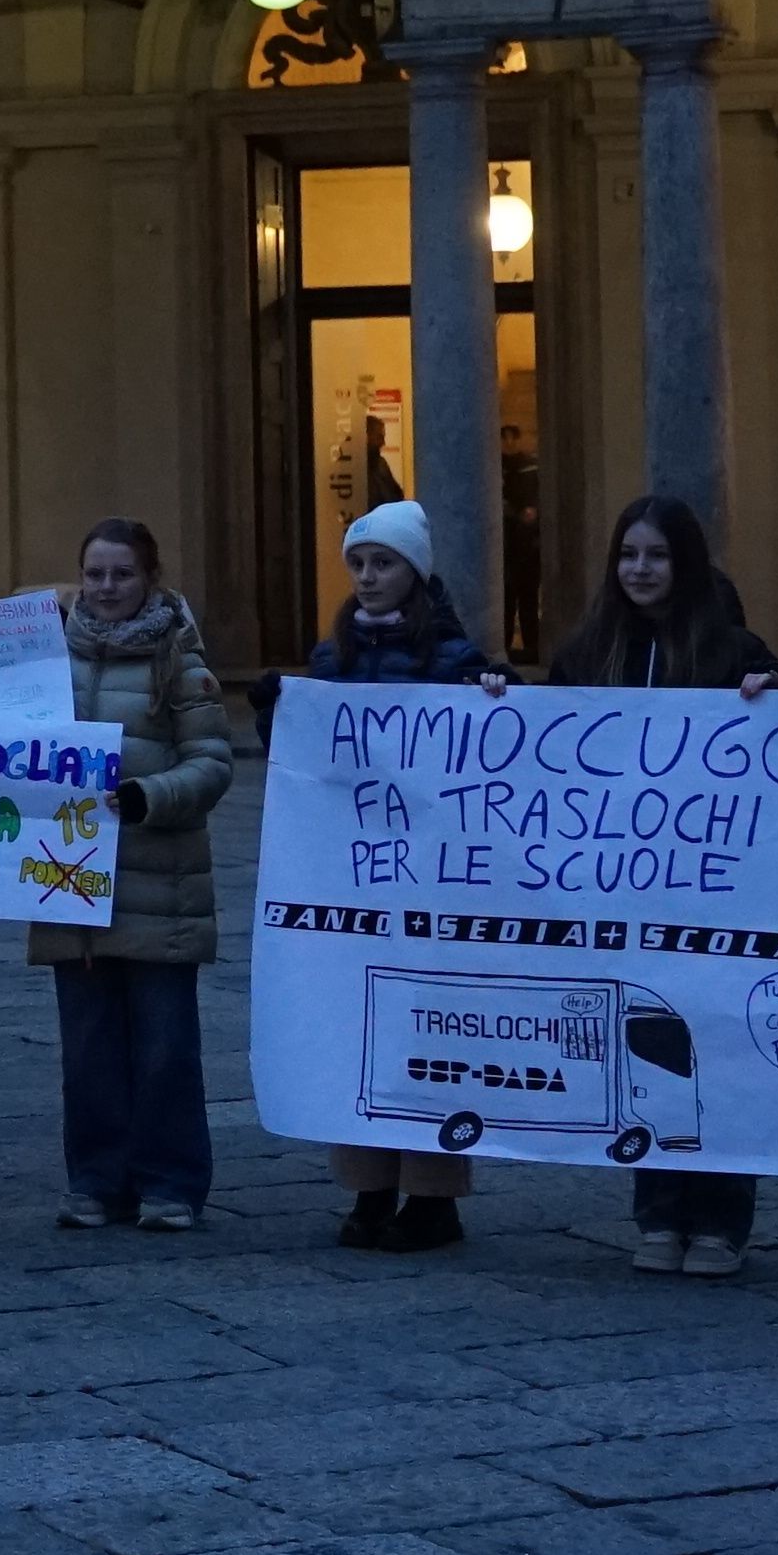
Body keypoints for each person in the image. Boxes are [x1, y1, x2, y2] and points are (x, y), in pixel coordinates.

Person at [541, 497, 778, 1278]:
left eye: (656, 556)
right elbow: (537, 742)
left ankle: (721, 1219)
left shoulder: (730, 646)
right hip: (626, 895)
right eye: (627, 555)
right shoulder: (588, 650)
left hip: (717, 895)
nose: (639, 570)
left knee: (714, 1043)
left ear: (685, 565)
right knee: (645, 1041)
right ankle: (657, 1211)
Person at [40, 519, 240, 1235]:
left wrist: (147, 798)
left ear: (150, 578)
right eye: (95, 574)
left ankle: (170, 1182)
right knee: (87, 1047)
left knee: (164, 1047)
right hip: (68, 883)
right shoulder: (46, 661)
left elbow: (213, 762)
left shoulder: (180, 660)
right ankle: (93, 1179)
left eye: (121, 574)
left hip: (162, 884)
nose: (106, 588)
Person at [304, 500, 486, 1251]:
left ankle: (435, 1195)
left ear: (416, 571)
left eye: (385, 563)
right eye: (360, 564)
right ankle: (369, 1185)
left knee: (430, 1023)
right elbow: (309, 765)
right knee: (357, 1028)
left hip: (430, 876)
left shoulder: (452, 655)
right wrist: (272, 716)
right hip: (354, 875)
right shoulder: (331, 655)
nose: (370, 577)